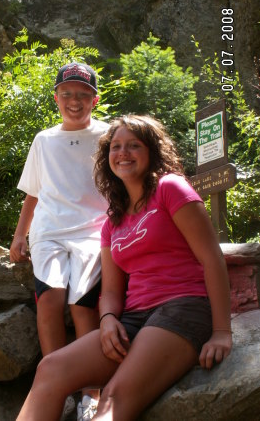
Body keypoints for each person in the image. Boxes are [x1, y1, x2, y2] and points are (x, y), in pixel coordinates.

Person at [16, 114, 233, 421]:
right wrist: (106, 320)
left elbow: (212, 259)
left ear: (152, 151)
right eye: (115, 147)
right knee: (50, 368)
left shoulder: (171, 189)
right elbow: (112, 291)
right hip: (134, 318)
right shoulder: (112, 220)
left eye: (134, 145)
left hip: (182, 307)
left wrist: (222, 332)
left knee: (112, 400)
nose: (123, 153)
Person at [10, 62, 109, 420]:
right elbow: (34, 194)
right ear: (56, 98)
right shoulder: (44, 140)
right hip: (49, 232)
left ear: (95, 100)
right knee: (50, 300)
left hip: (93, 230)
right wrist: (21, 235)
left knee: (83, 304)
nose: (74, 101)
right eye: (67, 94)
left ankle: (91, 392)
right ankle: (56, 386)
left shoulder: (109, 136)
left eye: (83, 95)